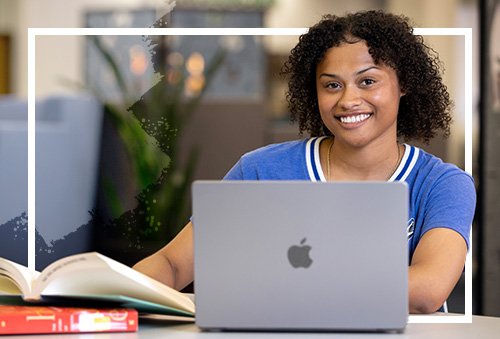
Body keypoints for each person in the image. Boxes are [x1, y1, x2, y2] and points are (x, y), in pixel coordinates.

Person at [133, 10, 476, 314]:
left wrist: (276, 286)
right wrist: (113, 293)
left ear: (405, 84)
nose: (348, 100)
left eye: (367, 81)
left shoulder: (443, 184)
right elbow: (172, 265)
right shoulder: (259, 171)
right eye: (331, 85)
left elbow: (426, 291)